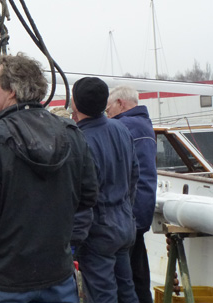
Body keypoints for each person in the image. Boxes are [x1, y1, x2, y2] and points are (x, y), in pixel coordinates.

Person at [0, 53, 98, 303]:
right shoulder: (72, 134)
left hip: (2, 279)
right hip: (57, 275)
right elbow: (88, 196)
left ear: (11, 91)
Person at [71, 77, 139, 303]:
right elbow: (133, 176)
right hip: (124, 225)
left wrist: (72, 241)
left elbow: (82, 196)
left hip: (98, 232)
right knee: (127, 290)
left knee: (103, 296)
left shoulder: (80, 140)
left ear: (75, 103)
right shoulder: (120, 128)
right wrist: (126, 210)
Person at [106, 85, 157, 303]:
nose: (107, 114)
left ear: (120, 104)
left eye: (108, 110)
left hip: (128, 216)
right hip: (141, 213)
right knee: (138, 278)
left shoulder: (122, 127)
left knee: (121, 281)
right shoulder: (144, 126)